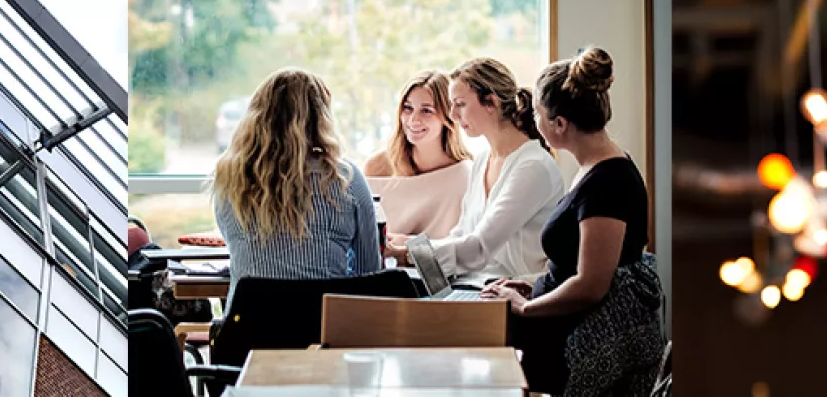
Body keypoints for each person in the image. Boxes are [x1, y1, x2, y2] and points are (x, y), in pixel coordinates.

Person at [480, 47, 665, 396]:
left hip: (583, 338)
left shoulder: (608, 182)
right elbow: (578, 263)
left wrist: (529, 306)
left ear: (559, 124)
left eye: (537, 115)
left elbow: (591, 284)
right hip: (562, 320)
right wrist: (533, 285)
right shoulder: (594, 168)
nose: (533, 123)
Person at [212, 68, 383, 306]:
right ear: (321, 119)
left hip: (249, 332)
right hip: (324, 332)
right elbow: (369, 275)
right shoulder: (347, 180)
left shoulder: (229, 179)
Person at [386, 58, 564, 281]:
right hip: (474, 285)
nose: (452, 115)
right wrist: (404, 243)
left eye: (460, 104)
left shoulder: (533, 167)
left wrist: (406, 255)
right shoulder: (482, 161)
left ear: (491, 102)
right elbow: (460, 236)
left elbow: (480, 247)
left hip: (513, 294)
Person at [363, 70, 473, 239]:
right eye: (408, 108)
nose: (413, 119)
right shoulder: (378, 166)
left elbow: (467, 246)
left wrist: (405, 244)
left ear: (448, 116)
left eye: (426, 110)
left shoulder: (466, 175)